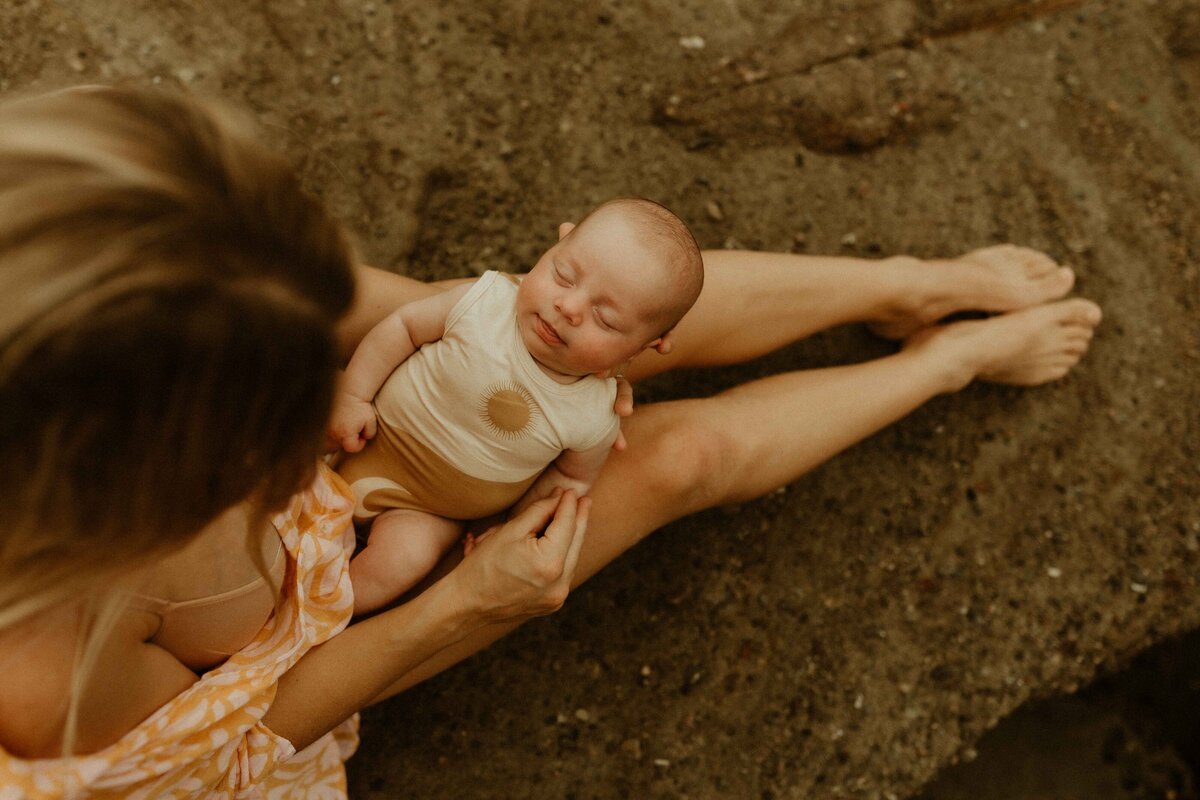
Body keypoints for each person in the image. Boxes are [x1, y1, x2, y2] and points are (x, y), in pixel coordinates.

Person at [0, 85, 1101, 799]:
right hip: (285, 654)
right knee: (673, 462)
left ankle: (908, 284)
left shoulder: (76, 242)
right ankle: (942, 361)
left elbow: (411, 315)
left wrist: (462, 340)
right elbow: (255, 725)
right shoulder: (44, 679)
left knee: (577, 333)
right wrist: (464, 605)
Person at [329, 198, 703, 612]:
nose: (569, 307)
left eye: (606, 319)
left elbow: (569, 480)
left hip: (426, 511)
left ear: (646, 347)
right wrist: (352, 396)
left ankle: (319, 612)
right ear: (558, 242)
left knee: (404, 561)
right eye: (564, 275)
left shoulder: (594, 415)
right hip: (365, 433)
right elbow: (403, 328)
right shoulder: (483, 304)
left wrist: (510, 526)